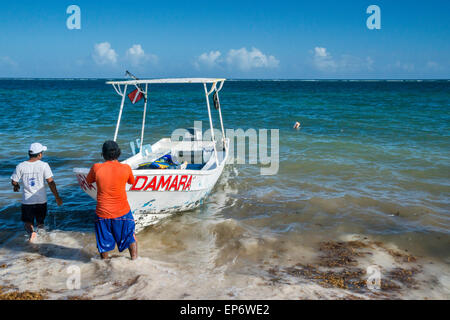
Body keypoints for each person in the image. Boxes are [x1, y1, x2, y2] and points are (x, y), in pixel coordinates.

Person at [86, 140, 138, 260]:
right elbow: (131, 181)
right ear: (118, 153)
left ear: (103, 154)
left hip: (103, 213)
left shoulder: (96, 167)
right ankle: (135, 261)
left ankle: (105, 267)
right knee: (130, 236)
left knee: (103, 244)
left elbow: (89, 181)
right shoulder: (126, 168)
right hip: (123, 211)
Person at [11, 143, 63, 242]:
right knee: (40, 222)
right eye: (42, 153)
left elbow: (14, 181)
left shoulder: (20, 166)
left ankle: (31, 233)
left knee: (27, 222)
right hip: (41, 200)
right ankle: (41, 238)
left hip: (27, 201)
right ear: (39, 155)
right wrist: (57, 197)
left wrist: (16, 186)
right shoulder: (44, 165)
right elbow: (51, 182)